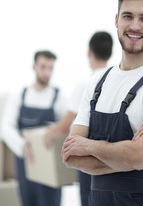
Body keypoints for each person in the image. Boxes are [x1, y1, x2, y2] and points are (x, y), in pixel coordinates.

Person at [61, 0, 143, 205]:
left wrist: (90, 146)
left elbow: (140, 156)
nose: (135, 26)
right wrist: (128, 156)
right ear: (116, 20)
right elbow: (72, 156)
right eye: (128, 16)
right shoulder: (97, 82)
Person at [43, 31, 113, 206]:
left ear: (89, 52)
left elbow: (63, 127)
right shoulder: (117, 82)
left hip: (89, 159)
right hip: (113, 158)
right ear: (110, 53)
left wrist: (44, 136)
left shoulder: (85, 85)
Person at [1, 50, 66, 206]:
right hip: (25, 164)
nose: (47, 72)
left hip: (50, 166)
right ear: (34, 67)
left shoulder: (59, 97)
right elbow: (5, 127)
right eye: (43, 67)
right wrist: (22, 145)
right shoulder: (19, 96)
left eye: (50, 68)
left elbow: (68, 127)